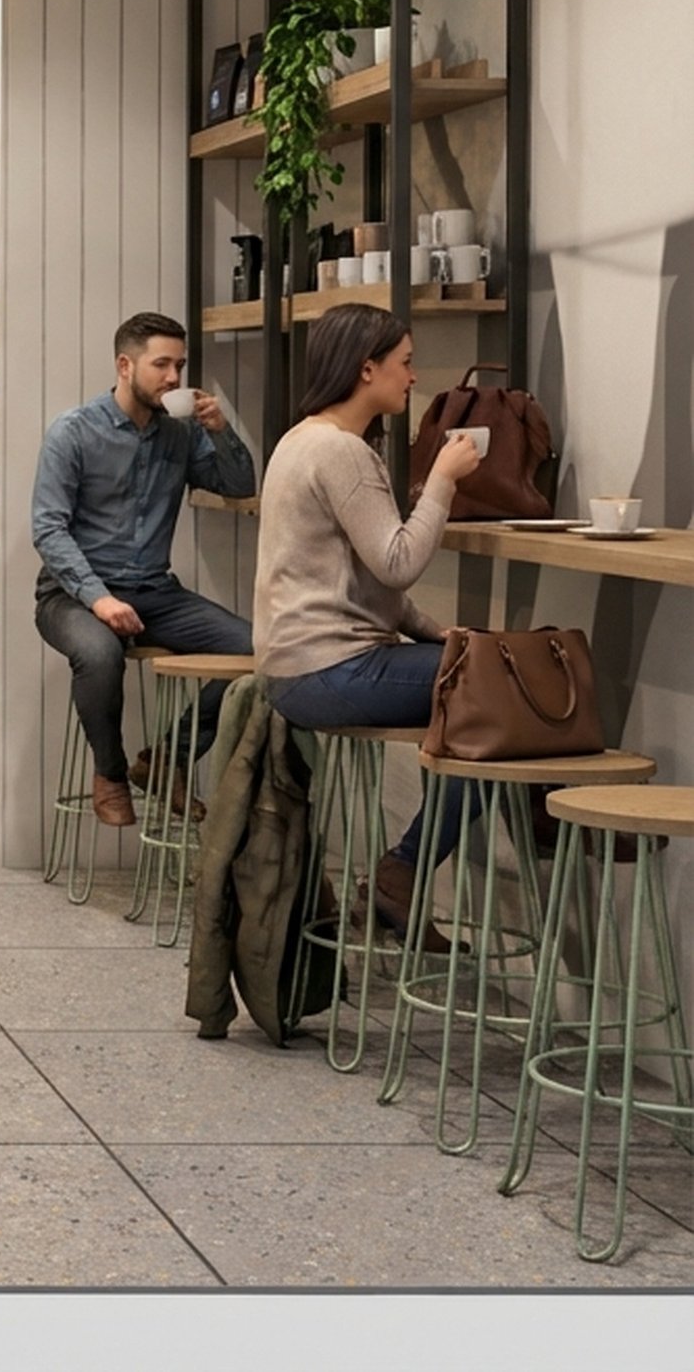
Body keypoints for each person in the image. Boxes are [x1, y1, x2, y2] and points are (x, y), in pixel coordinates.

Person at [253, 303, 485, 945]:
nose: (413, 378)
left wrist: (429, 632)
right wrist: (442, 479)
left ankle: (413, 869)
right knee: (498, 693)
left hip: (298, 667)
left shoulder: (301, 439)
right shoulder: (341, 452)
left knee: (479, 674)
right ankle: (404, 871)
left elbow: (354, 575)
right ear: (366, 369)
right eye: (405, 363)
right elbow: (398, 561)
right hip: (330, 671)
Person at [33, 311, 259, 828]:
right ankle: (110, 774)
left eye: (179, 365)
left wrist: (221, 431)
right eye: (161, 365)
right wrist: (99, 598)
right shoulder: (73, 431)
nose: (175, 378)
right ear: (125, 365)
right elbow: (48, 529)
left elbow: (239, 484)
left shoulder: (180, 434)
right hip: (71, 596)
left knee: (257, 650)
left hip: (155, 592)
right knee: (100, 651)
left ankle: (168, 759)